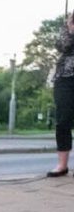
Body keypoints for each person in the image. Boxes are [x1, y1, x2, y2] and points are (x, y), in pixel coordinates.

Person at [47, 13, 74, 178]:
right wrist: (70, 30)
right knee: (63, 120)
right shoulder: (66, 28)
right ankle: (62, 165)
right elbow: (61, 46)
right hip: (64, 78)